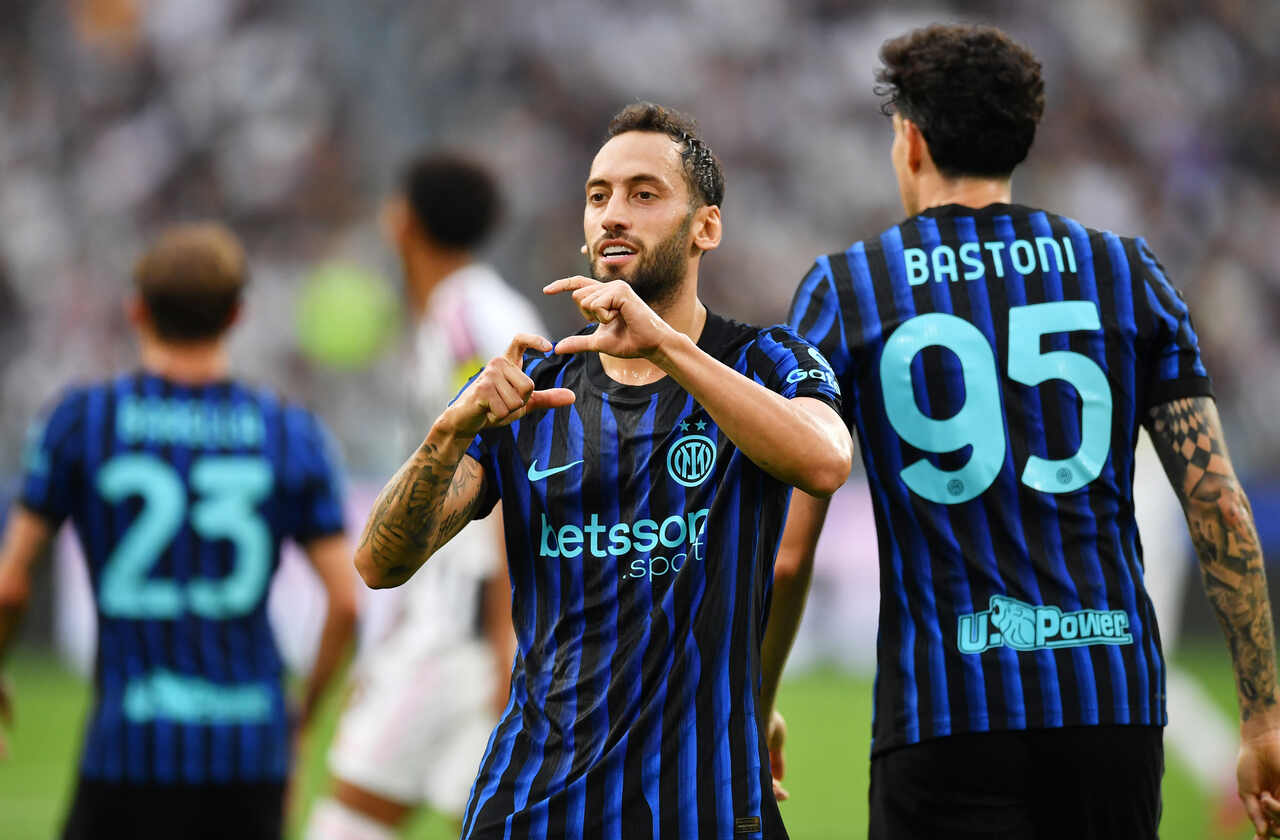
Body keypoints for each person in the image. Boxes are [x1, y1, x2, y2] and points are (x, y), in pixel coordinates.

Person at [774, 23, 1280, 840]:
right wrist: (1262, 718)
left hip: (943, 715)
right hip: (1109, 710)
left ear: (911, 140)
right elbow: (1219, 504)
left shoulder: (849, 291)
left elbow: (790, 551)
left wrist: (756, 703)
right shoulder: (1128, 273)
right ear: (1022, 137)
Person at [353, 102, 853, 839]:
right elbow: (378, 563)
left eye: (644, 194)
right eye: (599, 196)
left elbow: (825, 460)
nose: (614, 213)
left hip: (706, 807)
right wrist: (448, 431)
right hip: (537, 804)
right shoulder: (533, 388)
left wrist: (664, 346)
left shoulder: (767, 361)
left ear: (705, 228)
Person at [0, 223, 357, 840]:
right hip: (249, 750)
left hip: (129, 750)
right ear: (238, 315)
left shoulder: (82, 422)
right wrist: (300, 721)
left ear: (136, 310)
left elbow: (10, 586)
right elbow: (346, 602)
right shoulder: (288, 431)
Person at [307, 153, 540, 840]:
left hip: (462, 636)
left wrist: (510, 640)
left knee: (348, 821)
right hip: (454, 627)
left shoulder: (471, 319)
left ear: (403, 220)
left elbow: (516, 469)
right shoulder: (463, 312)